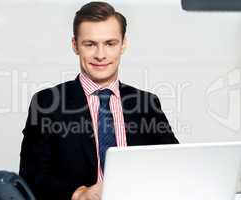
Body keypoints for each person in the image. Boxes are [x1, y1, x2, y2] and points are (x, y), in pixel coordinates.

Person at [19, 1, 179, 200]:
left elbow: (175, 165)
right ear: (75, 45)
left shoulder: (147, 103)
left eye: (110, 44)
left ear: (123, 45)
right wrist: (79, 194)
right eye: (90, 44)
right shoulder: (47, 102)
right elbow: (31, 177)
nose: (100, 55)